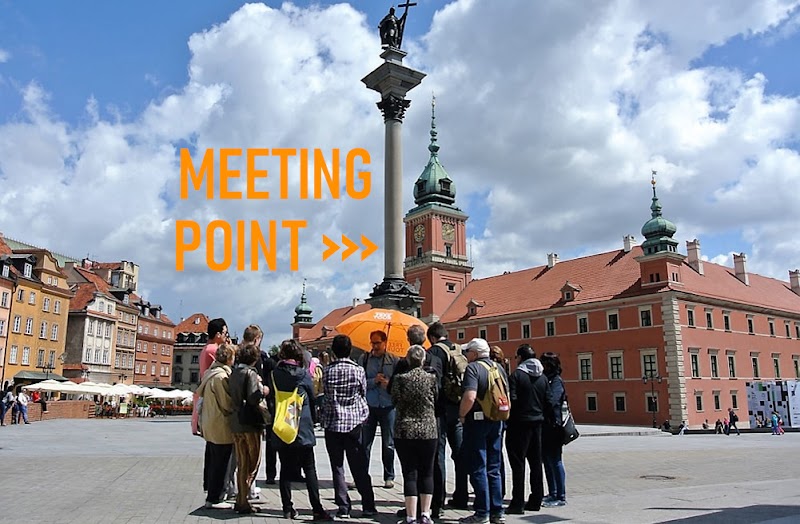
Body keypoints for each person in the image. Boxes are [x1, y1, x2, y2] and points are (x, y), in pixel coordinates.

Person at [269, 339, 333, 522]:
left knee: (285, 468)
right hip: (302, 424)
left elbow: (272, 398)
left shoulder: (274, 374)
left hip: (282, 424)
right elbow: (312, 399)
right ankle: (317, 509)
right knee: (309, 468)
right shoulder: (304, 374)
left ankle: (287, 508)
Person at [321, 334, 377, 519]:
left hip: (333, 422)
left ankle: (343, 506)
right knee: (359, 465)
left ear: (334, 351)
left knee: (337, 466)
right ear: (350, 350)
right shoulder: (358, 370)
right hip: (354, 423)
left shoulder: (328, 371)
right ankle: (368, 504)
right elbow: (363, 391)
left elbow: (326, 393)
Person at [458, 338, 507, 524]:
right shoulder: (498, 367)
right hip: (496, 420)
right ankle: (497, 511)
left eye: (468, 352)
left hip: (477, 422)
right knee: (494, 467)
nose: (466, 355)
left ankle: (482, 512)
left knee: (478, 466)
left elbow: (470, 396)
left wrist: (462, 415)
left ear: (475, 353)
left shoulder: (473, 368)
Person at [391, 344, 439, 524]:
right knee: (427, 472)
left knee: (410, 473)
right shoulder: (431, 378)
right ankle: (425, 514)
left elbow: (394, 400)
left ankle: (411, 516)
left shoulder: (400, 379)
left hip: (405, 429)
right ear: (423, 360)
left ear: (408, 359)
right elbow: (436, 398)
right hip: (428, 429)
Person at [506, 344, 548, 515]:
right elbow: (548, 400)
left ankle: (517, 503)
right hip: (538, 423)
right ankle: (536, 499)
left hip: (519, 424)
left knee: (518, 464)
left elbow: (512, 399)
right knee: (536, 463)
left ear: (520, 358)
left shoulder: (517, 375)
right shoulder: (543, 377)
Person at [229, 343, 269, 514]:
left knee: (242, 462)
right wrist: (263, 391)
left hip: (236, 422)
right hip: (250, 423)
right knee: (253, 462)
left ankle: (241, 500)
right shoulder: (250, 373)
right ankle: (243, 499)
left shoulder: (234, 372)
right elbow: (253, 397)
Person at [196, 343, 236, 510]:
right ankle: (215, 498)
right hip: (220, 424)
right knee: (221, 463)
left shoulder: (210, 373)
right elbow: (226, 403)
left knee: (214, 461)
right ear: (229, 358)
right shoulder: (220, 377)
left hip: (210, 423)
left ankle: (213, 496)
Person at [360, 330, 398, 489]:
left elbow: (398, 383)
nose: (374, 346)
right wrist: (373, 381)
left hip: (388, 405)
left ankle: (389, 476)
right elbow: (360, 381)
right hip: (370, 405)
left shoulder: (393, 360)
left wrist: (388, 385)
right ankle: (361, 475)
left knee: (388, 443)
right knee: (364, 443)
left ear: (385, 342)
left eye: (377, 343)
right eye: (372, 343)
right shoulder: (364, 359)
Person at [194, 318, 229, 492]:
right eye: (225, 333)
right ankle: (214, 488)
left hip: (207, 399)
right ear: (217, 334)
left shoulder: (205, 348)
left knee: (211, 448)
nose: (226, 337)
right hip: (213, 400)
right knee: (216, 450)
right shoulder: (213, 350)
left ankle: (210, 486)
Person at [541, 352, 567, 508]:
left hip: (554, 426)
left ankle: (561, 496)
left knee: (555, 460)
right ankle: (552, 492)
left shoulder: (556, 381)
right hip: (545, 426)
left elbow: (552, 401)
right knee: (546, 460)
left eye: (543, 363)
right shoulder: (546, 379)